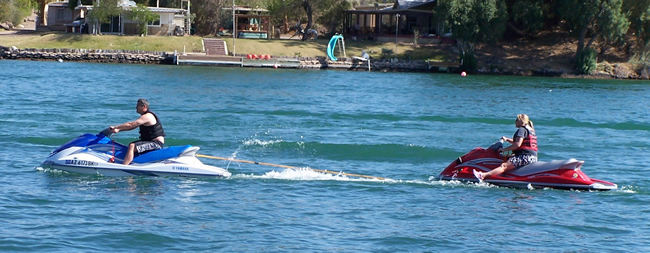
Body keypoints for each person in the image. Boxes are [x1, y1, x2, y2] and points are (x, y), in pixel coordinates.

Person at [474, 114, 538, 181]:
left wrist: (504, 150)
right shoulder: (530, 130)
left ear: (521, 121)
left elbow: (517, 145)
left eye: (517, 120)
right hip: (531, 157)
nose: (515, 122)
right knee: (506, 156)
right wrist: (507, 139)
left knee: (504, 166)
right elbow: (519, 142)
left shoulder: (522, 130)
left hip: (524, 157)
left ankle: (483, 175)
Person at [109, 98, 165, 165]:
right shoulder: (144, 116)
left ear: (144, 107)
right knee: (130, 146)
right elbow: (132, 127)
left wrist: (116, 127)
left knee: (132, 146)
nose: (136, 107)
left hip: (156, 144)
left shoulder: (148, 116)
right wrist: (119, 130)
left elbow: (131, 125)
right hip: (150, 142)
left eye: (138, 105)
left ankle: (124, 166)